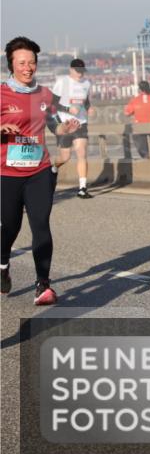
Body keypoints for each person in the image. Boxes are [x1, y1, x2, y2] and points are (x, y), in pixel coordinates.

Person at [2, 37, 81, 304]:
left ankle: (43, 285)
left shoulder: (45, 95)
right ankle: (2, 265)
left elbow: (54, 125)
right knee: (10, 226)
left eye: (32, 62)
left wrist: (64, 129)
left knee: (41, 225)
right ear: (11, 64)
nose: (28, 67)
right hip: (6, 173)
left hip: (39, 171)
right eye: (22, 63)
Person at [52, 58, 93, 198]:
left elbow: (86, 101)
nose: (80, 74)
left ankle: (82, 188)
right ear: (71, 69)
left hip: (81, 123)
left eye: (82, 71)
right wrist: (68, 109)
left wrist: (90, 108)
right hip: (65, 124)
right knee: (65, 157)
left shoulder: (87, 83)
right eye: (77, 71)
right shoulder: (61, 82)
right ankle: (54, 167)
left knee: (81, 152)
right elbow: (52, 104)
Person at [123, 81, 150, 158]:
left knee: (140, 145)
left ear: (139, 90)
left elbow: (127, 113)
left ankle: (147, 157)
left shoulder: (134, 100)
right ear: (149, 89)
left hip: (140, 127)